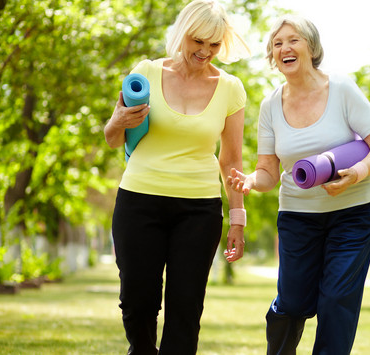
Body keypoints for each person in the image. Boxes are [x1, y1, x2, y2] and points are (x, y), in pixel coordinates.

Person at [226, 15, 370, 355]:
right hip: (298, 215)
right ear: (273, 57)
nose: (284, 48)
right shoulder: (271, 105)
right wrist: (249, 182)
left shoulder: (342, 89)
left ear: (311, 47)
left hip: (354, 211)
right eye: (277, 44)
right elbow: (268, 171)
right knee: (292, 302)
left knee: (337, 300)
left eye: (293, 40)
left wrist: (358, 172)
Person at [103, 1, 250, 353]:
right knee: (138, 302)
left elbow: (230, 160)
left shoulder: (230, 88)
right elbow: (112, 138)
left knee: (186, 308)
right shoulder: (147, 73)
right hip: (139, 201)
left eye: (214, 45)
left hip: (198, 209)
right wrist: (118, 121)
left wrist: (237, 219)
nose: (205, 52)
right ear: (183, 33)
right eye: (198, 41)